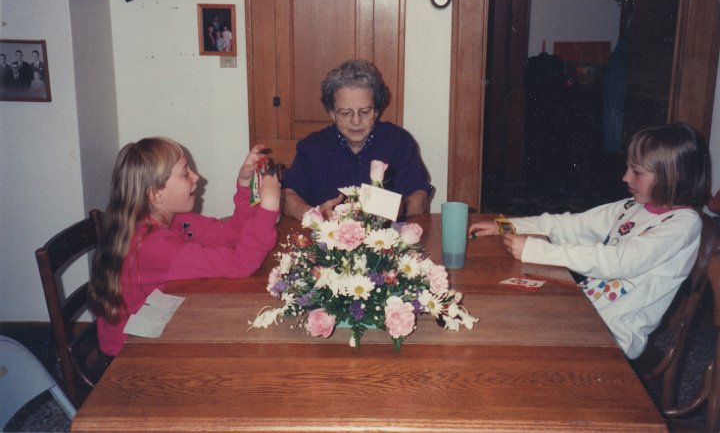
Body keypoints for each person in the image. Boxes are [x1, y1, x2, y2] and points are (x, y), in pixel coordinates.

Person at [468, 122, 709, 360]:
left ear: (671, 176)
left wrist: (535, 249)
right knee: (505, 314)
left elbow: (617, 262)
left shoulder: (683, 224)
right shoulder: (631, 207)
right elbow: (569, 225)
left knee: (517, 337)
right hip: (583, 310)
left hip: (613, 335)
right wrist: (505, 226)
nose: (625, 177)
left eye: (636, 172)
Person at [89, 138, 280, 356]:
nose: (197, 177)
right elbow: (241, 264)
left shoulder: (177, 219)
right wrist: (269, 208)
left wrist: (245, 186)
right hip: (131, 354)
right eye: (185, 172)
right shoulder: (150, 245)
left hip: (158, 319)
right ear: (156, 194)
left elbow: (230, 236)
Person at [282, 59, 433, 221]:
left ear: (376, 111)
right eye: (346, 113)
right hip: (326, 242)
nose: (356, 121)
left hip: (386, 241)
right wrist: (316, 215)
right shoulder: (312, 148)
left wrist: (400, 209)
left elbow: (420, 196)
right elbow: (288, 196)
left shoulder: (398, 142)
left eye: (365, 111)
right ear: (332, 113)